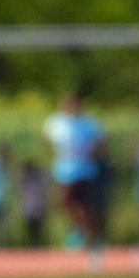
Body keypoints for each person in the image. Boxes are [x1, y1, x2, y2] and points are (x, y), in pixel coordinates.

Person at [43, 94, 103, 258]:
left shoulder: (87, 123)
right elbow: (46, 142)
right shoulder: (56, 123)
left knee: (82, 204)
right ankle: (82, 232)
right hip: (63, 171)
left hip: (83, 170)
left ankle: (87, 236)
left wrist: (92, 154)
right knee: (65, 202)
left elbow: (99, 142)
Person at [19, 159, 48, 247]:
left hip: (37, 207)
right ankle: (32, 247)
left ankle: (38, 246)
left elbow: (45, 174)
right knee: (30, 231)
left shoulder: (37, 178)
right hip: (29, 208)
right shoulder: (24, 179)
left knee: (38, 231)